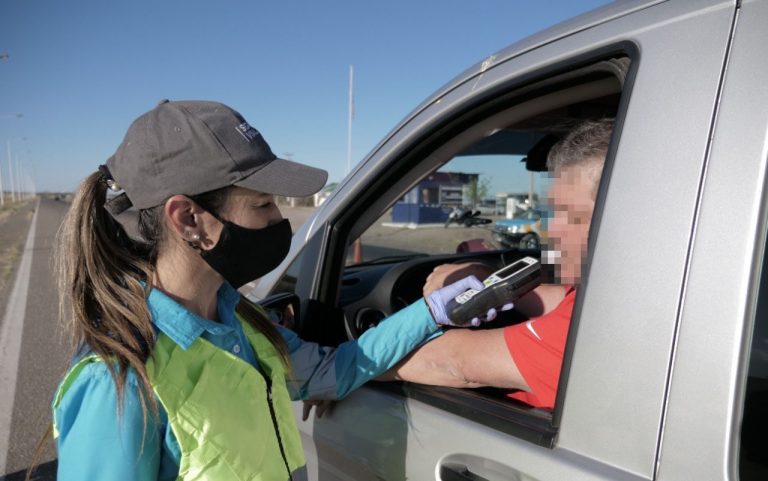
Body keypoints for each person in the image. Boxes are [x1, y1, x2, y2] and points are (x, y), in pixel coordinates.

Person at [49, 100, 509, 481]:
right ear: (188, 219)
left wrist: (435, 310)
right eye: (264, 203)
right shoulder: (120, 378)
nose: (279, 221)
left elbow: (334, 371)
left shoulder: (241, 322)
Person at [381, 118, 613, 410]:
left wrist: (340, 371)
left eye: (571, 214)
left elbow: (454, 361)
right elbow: (561, 300)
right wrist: (488, 279)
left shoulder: (598, 328)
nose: (553, 229)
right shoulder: (612, 293)